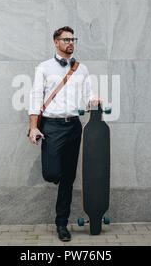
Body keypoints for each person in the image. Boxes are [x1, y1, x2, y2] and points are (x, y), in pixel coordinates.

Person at [27, 26, 103, 242]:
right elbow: (35, 98)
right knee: (52, 174)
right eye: (66, 39)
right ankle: (54, 174)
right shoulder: (44, 67)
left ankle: (62, 224)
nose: (71, 43)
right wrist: (34, 127)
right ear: (56, 42)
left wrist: (94, 101)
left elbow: (88, 95)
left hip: (74, 127)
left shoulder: (82, 69)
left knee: (68, 180)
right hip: (51, 126)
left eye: (73, 39)